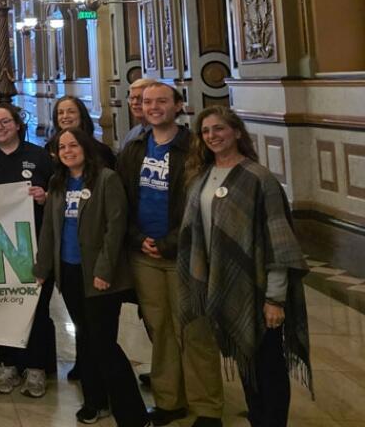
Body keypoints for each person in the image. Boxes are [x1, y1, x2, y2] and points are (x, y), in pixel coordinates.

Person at [178, 107, 311, 427]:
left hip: (258, 288)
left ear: (237, 132)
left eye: (219, 128)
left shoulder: (258, 178)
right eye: (206, 131)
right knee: (245, 362)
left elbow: (278, 241)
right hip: (223, 283)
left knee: (268, 365)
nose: (212, 136)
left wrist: (275, 299)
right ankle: (257, 419)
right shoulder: (202, 177)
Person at [117, 82, 223, 426]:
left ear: (178, 105)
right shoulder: (134, 147)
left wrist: (169, 242)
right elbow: (122, 200)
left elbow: (203, 204)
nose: (153, 107)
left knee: (194, 328)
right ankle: (169, 399)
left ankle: (207, 406)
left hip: (185, 253)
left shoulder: (195, 148)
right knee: (159, 328)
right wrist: (138, 239)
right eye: (147, 101)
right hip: (144, 254)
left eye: (161, 101)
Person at [35, 129, 148, 427]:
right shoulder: (57, 183)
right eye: (62, 147)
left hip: (98, 275)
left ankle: (133, 414)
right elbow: (49, 230)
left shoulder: (106, 179)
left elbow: (116, 227)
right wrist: (42, 269)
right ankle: (95, 400)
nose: (68, 151)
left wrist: (104, 270)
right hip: (69, 271)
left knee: (104, 343)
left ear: (85, 147)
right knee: (84, 338)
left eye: (73, 145)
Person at [0, 104, 55, 398]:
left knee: (37, 307)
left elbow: (58, 195)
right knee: (1, 306)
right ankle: (8, 363)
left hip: (33, 246)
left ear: (17, 124)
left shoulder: (39, 157)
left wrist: (44, 197)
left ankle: (36, 367)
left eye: (5, 121)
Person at [50, 95, 117, 170]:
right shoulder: (49, 148)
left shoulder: (101, 151)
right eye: (60, 113)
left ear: (81, 115)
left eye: (71, 112)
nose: (65, 116)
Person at [120, 77, 156, 151]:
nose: (135, 102)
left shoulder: (165, 134)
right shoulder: (132, 134)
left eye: (140, 98)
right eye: (131, 98)